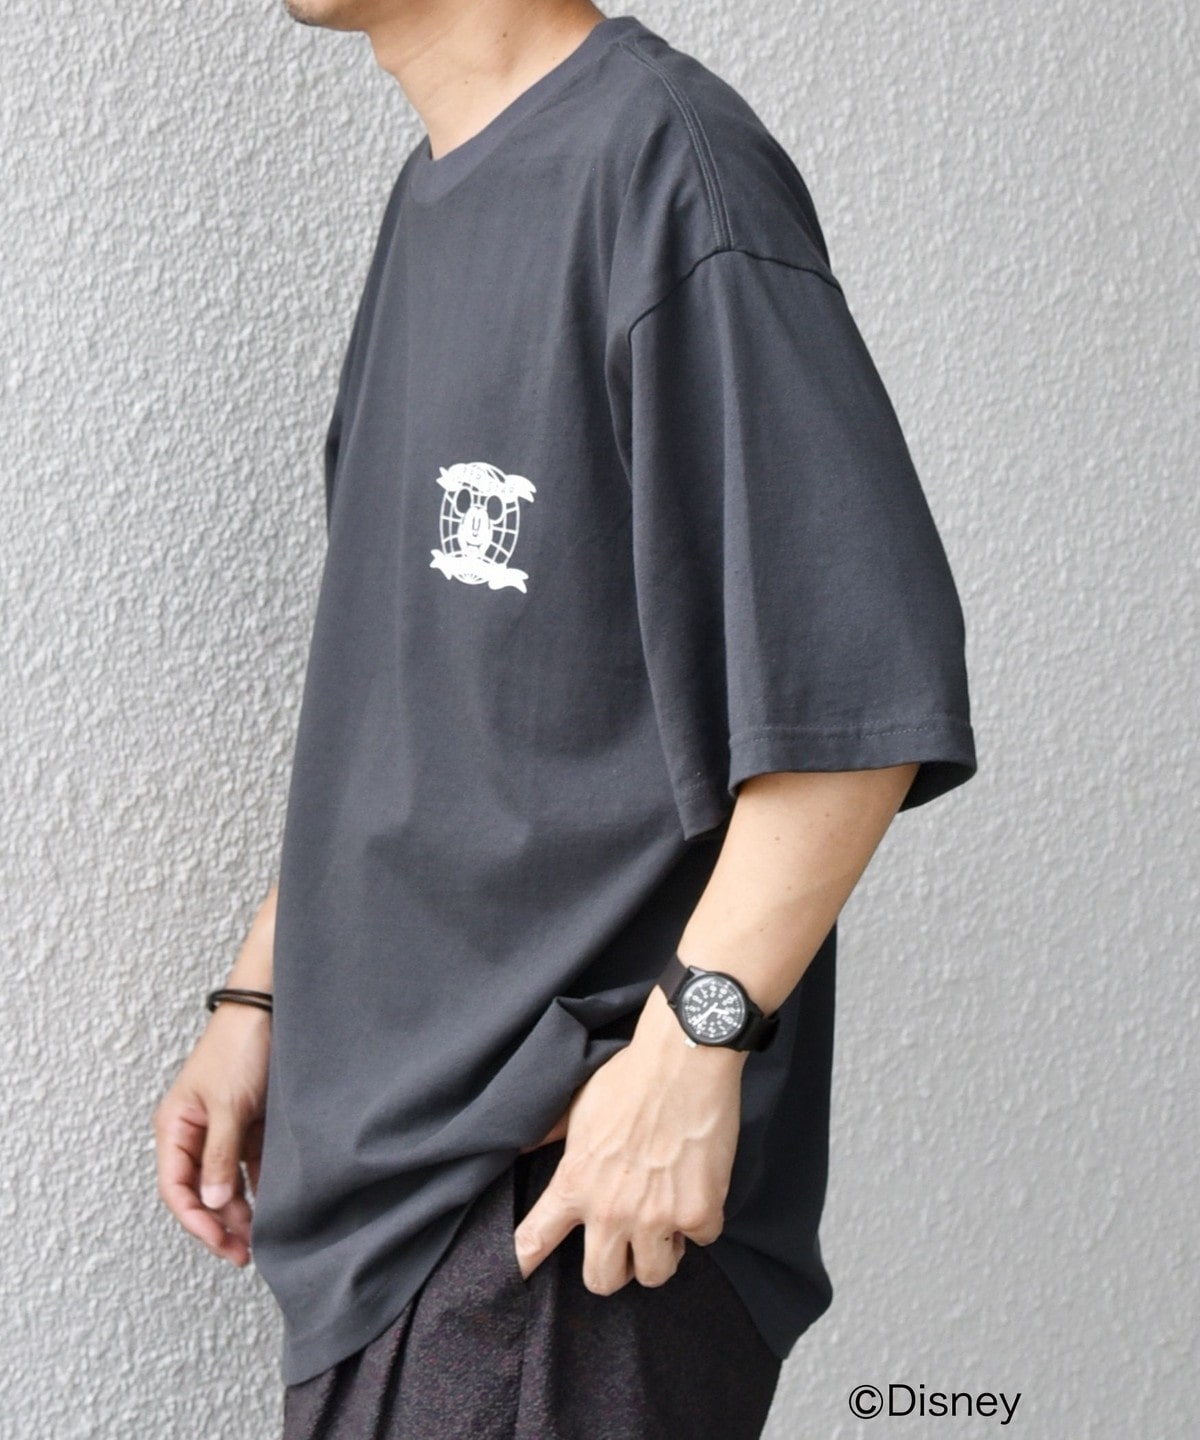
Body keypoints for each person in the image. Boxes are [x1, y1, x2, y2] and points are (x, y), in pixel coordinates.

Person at [153, 3, 978, 1436]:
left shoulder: (669, 171)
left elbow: (856, 694)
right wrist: (263, 991)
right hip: (383, 1198)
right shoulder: (443, 188)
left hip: (552, 1214)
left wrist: (691, 1049)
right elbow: (427, 686)